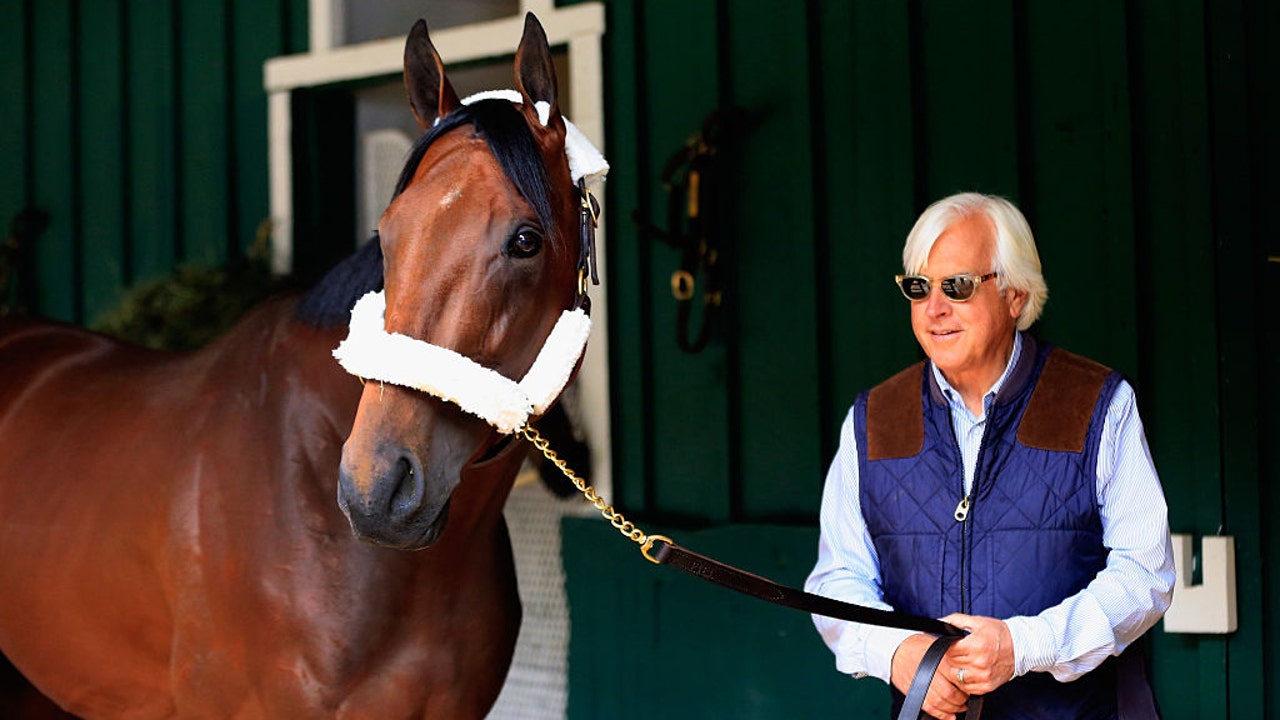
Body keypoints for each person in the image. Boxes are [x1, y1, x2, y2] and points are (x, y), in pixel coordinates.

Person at [804, 192, 1174, 720]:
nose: (934, 309)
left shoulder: (1096, 402)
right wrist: (895, 652)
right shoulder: (874, 420)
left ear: (1017, 294)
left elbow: (1145, 573)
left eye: (957, 286)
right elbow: (838, 577)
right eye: (918, 288)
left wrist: (1026, 646)